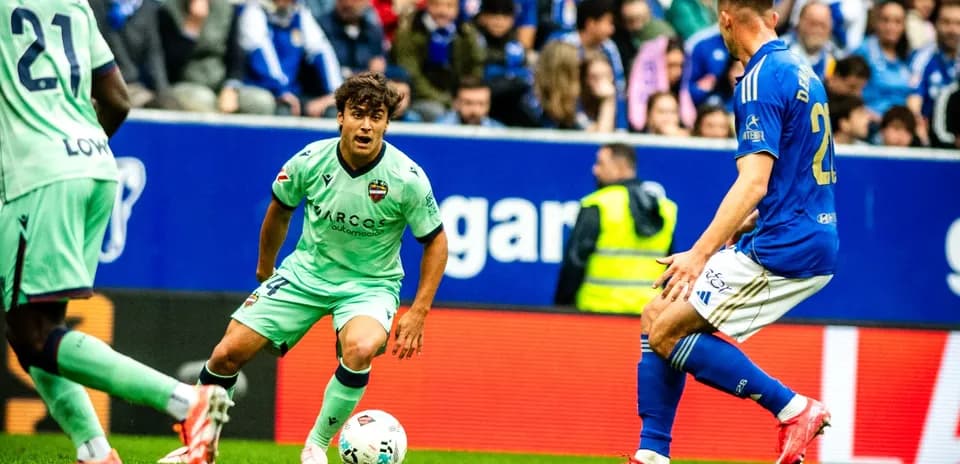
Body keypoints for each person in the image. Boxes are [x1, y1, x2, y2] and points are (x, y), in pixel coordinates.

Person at [158, 72, 448, 464]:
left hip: (370, 284)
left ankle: (315, 446)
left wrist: (419, 310)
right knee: (227, 353)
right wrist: (266, 270)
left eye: (376, 116)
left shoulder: (406, 178)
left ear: (386, 123)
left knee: (362, 347)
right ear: (340, 117)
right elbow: (280, 209)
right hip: (305, 275)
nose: (366, 125)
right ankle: (198, 449)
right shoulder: (310, 160)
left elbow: (436, 242)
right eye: (357, 114)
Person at [0, 2, 230, 464]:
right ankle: (95, 451)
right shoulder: (75, 5)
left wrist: (51, 156)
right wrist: (75, 151)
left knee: (35, 333)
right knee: (33, 328)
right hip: (94, 164)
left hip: (39, 173)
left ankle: (188, 402)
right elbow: (117, 99)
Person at [627, 0, 838, 463]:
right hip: (796, 229)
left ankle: (793, 409)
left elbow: (754, 181)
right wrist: (751, 219)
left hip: (786, 245)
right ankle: (651, 453)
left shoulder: (758, 80)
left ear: (724, 19)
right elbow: (799, 171)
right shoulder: (802, 71)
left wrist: (698, 254)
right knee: (657, 313)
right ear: (773, 18)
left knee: (666, 333)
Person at [555, 144, 677, 314]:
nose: (595, 170)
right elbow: (670, 265)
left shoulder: (598, 203)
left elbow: (575, 262)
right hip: (647, 312)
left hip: (597, 310)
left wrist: (561, 306)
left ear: (620, 167)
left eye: (600, 163)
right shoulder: (665, 208)